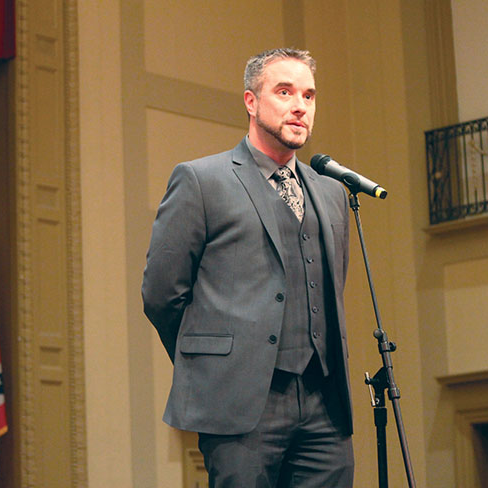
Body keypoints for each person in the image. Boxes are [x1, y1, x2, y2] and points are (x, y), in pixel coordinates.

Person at [141, 48, 354, 487]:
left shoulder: (331, 192)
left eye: (309, 96)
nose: (300, 106)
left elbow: (331, 286)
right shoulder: (202, 180)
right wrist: (214, 361)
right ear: (251, 102)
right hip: (239, 404)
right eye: (284, 91)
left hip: (323, 403)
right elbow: (162, 293)